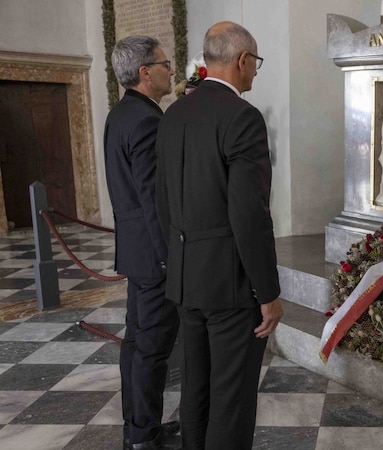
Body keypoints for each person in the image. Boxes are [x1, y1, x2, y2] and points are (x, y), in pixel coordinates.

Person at [155, 21, 283, 450]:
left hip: (186, 279)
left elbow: (163, 203)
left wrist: (177, 264)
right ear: (243, 61)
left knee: (196, 386)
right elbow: (249, 214)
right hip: (230, 285)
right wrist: (267, 291)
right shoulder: (242, 118)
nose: (256, 72)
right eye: (256, 63)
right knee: (232, 395)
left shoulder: (172, 114)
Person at [104, 35, 181, 450]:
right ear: (145, 72)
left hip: (134, 251)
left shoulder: (120, 114)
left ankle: (138, 426)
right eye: (165, 64)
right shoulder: (148, 119)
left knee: (135, 343)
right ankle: (144, 436)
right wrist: (169, 259)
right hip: (153, 256)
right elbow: (154, 200)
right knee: (151, 349)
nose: (171, 70)